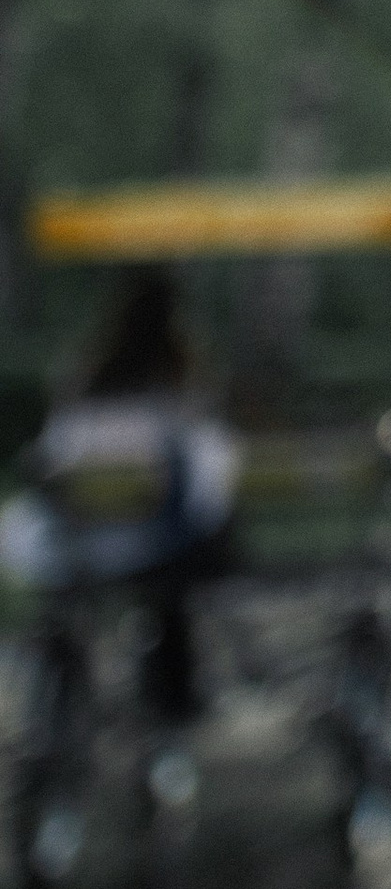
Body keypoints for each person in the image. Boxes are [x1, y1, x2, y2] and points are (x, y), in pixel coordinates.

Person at [0, 266, 238, 731]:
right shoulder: (177, 385)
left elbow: (50, 462)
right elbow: (207, 486)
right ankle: (174, 699)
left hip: (78, 549)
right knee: (179, 581)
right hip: (156, 549)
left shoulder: (86, 381)